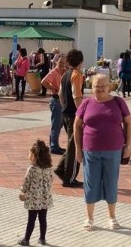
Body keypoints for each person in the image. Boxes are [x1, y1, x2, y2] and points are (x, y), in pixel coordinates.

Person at [74, 74, 131, 231]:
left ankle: (112, 217)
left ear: (110, 86)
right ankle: (89, 218)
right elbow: (77, 126)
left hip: (114, 149)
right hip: (90, 150)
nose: (100, 89)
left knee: (111, 182)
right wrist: (78, 149)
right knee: (90, 182)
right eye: (96, 86)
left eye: (103, 86)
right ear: (91, 87)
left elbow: (128, 123)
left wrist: (128, 146)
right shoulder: (86, 103)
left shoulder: (118, 102)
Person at [53, 49, 84, 188]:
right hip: (74, 115)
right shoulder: (77, 75)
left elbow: (60, 93)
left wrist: (65, 106)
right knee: (76, 146)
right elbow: (77, 96)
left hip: (66, 113)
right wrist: (83, 113)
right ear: (80, 62)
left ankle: (61, 169)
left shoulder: (65, 74)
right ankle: (69, 177)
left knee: (72, 144)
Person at [17, 140, 54, 246]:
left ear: (34, 156)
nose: (28, 155)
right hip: (45, 198)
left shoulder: (32, 169)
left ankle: (26, 239)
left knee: (31, 220)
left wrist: (22, 191)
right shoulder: (49, 168)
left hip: (33, 199)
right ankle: (42, 238)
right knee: (43, 219)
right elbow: (51, 180)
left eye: (30, 153)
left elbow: (26, 182)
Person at [41, 57, 68, 155]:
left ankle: (53, 144)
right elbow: (43, 81)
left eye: (63, 63)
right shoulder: (54, 72)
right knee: (56, 125)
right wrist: (54, 88)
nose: (62, 64)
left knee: (59, 124)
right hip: (56, 100)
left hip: (62, 101)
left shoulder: (65, 72)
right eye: (60, 62)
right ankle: (54, 147)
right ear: (57, 62)